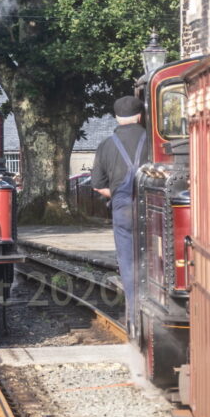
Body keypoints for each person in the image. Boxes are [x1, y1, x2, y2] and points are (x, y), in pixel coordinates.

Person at [91, 95, 147, 333]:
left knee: (128, 261)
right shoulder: (151, 140)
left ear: (116, 118)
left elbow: (97, 184)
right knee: (155, 260)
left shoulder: (106, 144)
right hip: (151, 209)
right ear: (140, 116)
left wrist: (114, 194)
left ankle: (133, 315)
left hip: (122, 208)